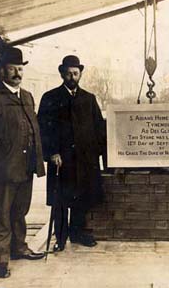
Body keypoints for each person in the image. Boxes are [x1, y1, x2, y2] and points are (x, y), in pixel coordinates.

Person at [0, 46, 46, 279]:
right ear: (2, 72)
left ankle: (19, 248)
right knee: (2, 215)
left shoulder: (26, 96)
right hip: (5, 169)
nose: (18, 73)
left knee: (20, 211)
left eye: (20, 68)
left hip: (26, 166)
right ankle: (0, 260)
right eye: (12, 69)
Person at [38, 55, 105, 252]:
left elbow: (99, 128)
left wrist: (98, 154)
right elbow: (43, 128)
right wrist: (52, 153)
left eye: (75, 73)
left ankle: (78, 234)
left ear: (80, 74)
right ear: (61, 73)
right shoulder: (50, 98)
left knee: (81, 198)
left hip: (84, 160)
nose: (72, 77)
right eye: (68, 73)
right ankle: (60, 237)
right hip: (61, 160)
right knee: (60, 200)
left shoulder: (89, 99)